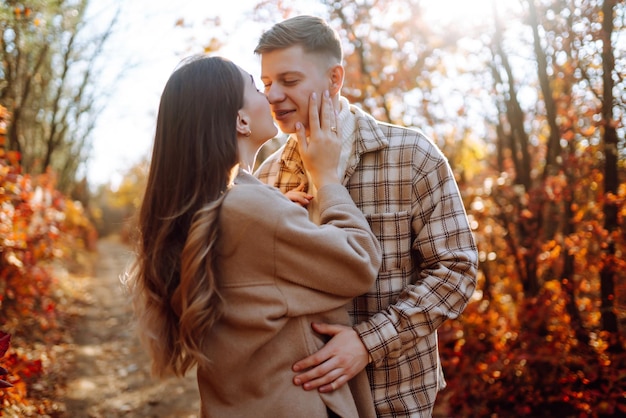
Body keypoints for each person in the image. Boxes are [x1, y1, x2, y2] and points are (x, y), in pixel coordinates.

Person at [127, 55, 382, 418]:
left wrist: (277, 210)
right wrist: (326, 178)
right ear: (241, 120)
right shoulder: (250, 209)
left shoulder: (206, 208)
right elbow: (359, 262)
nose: (272, 96)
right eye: (257, 87)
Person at [254, 15, 479, 417]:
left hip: (396, 396)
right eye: (266, 83)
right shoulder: (266, 176)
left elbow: (456, 271)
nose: (272, 96)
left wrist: (366, 343)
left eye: (288, 81)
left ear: (335, 79)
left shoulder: (412, 155)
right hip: (301, 398)